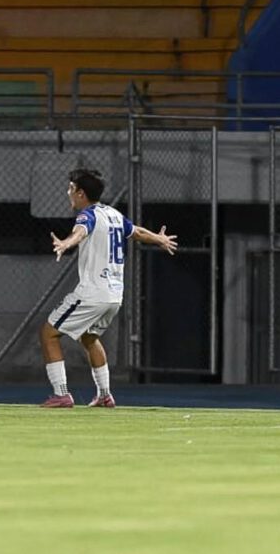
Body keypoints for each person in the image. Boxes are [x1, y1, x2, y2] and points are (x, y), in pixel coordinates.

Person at [39, 169, 178, 408]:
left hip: (92, 293)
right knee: (89, 337)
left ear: (81, 193)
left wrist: (65, 243)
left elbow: (80, 232)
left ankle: (61, 394)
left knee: (48, 334)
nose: (68, 192)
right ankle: (104, 395)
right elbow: (137, 232)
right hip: (114, 295)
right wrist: (159, 238)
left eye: (71, 188)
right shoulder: (113, 214)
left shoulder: (87, 215)